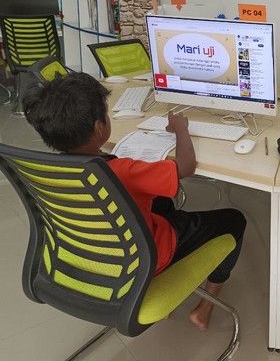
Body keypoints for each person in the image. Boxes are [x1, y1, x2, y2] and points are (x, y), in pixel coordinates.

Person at [22, 72, 247, 331]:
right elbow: (186, 166)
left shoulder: (48, 172)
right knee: (234, 220)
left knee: (162, 201)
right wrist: (181, 129)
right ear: (99, 127)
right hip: (145, 258)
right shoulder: (122, 172)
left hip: (90, 256)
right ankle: (205, 308)